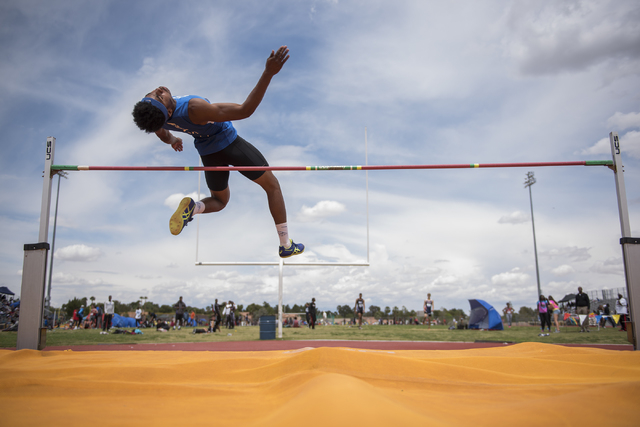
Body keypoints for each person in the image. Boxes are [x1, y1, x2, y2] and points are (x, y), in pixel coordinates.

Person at [131, 46, 304, 259]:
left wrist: (174, 140)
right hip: (230, 144)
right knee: (272, 186)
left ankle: (193, 208)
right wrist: (269, 73)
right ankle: (285, 244)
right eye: (160, 97)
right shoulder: (194, 108)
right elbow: (244, 110)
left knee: (220, 201)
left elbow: (164, 135)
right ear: (167, 112)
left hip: (208, 154)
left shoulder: (159, 120)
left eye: (153, 93)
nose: (159, 90)